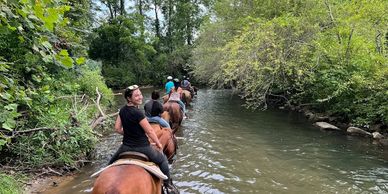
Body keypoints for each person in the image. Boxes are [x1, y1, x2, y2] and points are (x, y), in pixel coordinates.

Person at [108, 85, 177, 193]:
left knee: (110, 164)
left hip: (125, 147)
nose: (140, 97)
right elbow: (149, 131)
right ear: (129, 98)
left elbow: (117, 128)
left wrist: (130, 134)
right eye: (136, 95)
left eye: (140, 94)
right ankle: (168, 186)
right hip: (142, 147)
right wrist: (158, 144)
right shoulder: (138, 113)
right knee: (163, 159)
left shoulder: (122, 110)